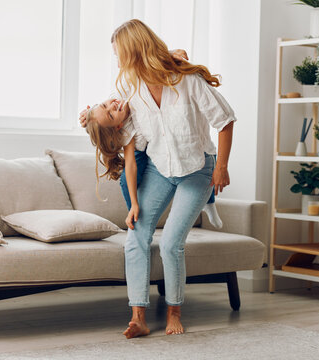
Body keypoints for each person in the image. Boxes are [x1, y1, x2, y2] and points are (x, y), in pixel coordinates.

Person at [82, 18, 235, 338]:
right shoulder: (128, 87)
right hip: (160, 170)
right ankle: (138, 316)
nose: (118, 61)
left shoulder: (187, 80)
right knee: (136, 233)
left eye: (119, 53)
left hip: (198, 170)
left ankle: (174, 312)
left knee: (170, 243)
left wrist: (221, 167)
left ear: (136, 49)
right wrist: (134, 204)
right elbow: (106, 118)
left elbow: (225, 120)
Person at [82, 98, 223, 229]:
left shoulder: (121, 95)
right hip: (142, 149)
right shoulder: (126, 131)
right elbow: (131, 165)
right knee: (126, 180)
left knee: (206, 153)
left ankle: (209, 203)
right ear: (119, 126)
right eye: (111, 115)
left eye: (105, 105)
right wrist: (134, 203)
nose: (112, 106)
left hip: (161, 139)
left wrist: (87, 113)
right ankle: (136, 216)